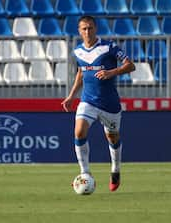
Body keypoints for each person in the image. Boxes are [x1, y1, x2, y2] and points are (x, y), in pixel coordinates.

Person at [61, 15, 135, 192]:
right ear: (79, 31)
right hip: (88, 100)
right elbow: (81, 72)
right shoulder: (78, 51)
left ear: (96, 29)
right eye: (84, 29)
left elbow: (130, 65)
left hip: (109, 104)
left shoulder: (109, 47)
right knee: (79, 131)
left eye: (90, 28)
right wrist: (71, 96)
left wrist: (111, 72)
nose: (87, 32)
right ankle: (85, 173)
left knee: (113, 137)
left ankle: (115, 170)